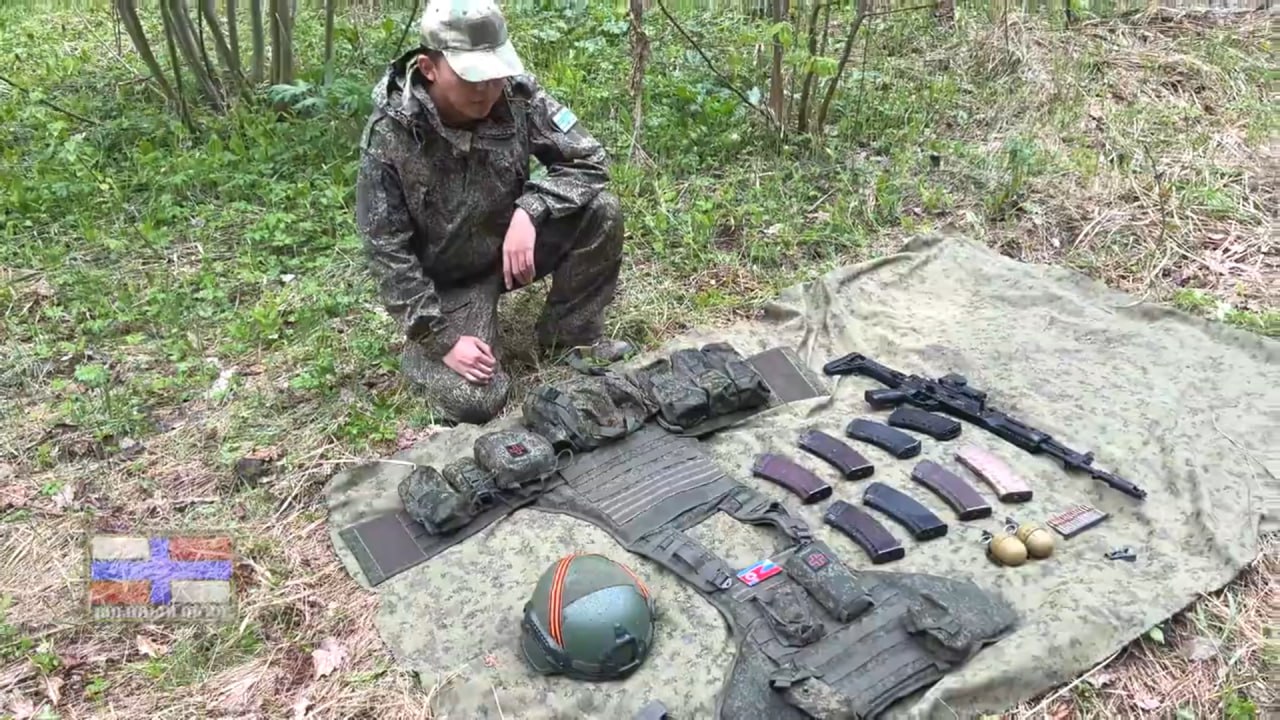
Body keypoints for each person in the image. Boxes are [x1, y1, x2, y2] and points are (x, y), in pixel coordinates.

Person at [355, 0, 632, 424]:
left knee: (601, 212)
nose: (486, 89)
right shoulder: (391, 133)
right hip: (449, 282)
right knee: (477, 400)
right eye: (471, 76)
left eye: (493, 72)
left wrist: (531, 210)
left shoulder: (517, 95)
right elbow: (386, 249)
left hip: (511, 250)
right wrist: (443, 341)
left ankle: (569, 337)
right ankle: (421, 353)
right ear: (429, 68)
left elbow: (589, 161)